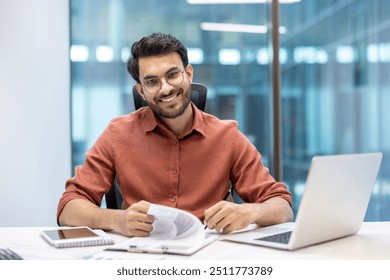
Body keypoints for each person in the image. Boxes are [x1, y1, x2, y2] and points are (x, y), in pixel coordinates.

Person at [57, 32, 293, 237]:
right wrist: (117, 220)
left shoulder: (227, 136)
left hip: (210, 255)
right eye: (152, 81)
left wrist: (250, 211)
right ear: (141, 89)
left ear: (188, 74)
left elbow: (282, 206)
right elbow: (68, 207)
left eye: (172, 74)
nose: (166, 88)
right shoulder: (117, 134)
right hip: (143, 257)